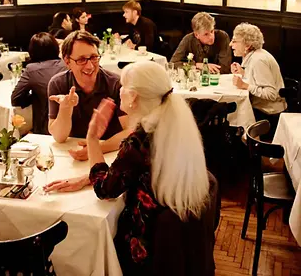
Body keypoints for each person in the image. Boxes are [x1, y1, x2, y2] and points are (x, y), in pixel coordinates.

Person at [46, 61, 211, 275]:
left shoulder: (139, 141)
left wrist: (93, 138)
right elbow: (135, 170)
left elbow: (105, 191)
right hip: (181, 231)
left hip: (147, 242)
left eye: (123, 87)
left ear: (133, 97)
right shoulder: (171, 123)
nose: (119, 91)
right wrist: (90, 176)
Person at [47, 31, 130, 161]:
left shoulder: (115, 84)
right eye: (81, 60)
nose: (90, 66)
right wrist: (65, 108)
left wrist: (96, 147)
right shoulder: (58, 84)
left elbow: (129, 132)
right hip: (72, 153)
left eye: (93, 57)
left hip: (110, 153)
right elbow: (59, 137)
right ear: (67, 61)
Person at [230, 23, 286, 127]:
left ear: (247, 45)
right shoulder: (254, 55)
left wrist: (245, 85)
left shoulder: (258, 61)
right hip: (262, 110)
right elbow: (257, 80)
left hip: (268, 114)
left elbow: (272, 94)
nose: (230, 44)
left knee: (231, 114)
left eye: (234, 41)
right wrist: (243, 72)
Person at [11, 33, 66, 135]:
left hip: (47, 126)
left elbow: (15, 99)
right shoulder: (67, 64)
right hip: (75, 121)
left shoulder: (32, 69)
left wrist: (37, 96)